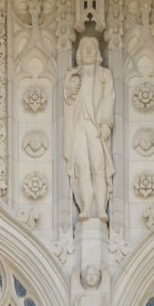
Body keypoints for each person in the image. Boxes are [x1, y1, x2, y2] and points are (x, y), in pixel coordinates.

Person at [63, 35, 116, 219]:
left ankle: (101, 209)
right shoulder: (72, 74)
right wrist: (69, 92)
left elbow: (109, 99)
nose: (87, 50)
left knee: (98, 167)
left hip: (95, 127)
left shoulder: (104, 75)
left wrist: (106, 124)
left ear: (98, 52)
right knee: (81, 166)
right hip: (79, 126)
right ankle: (86, 206)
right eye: (84, 47)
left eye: (91, 47)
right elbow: (67, 99)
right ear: (78, 52)